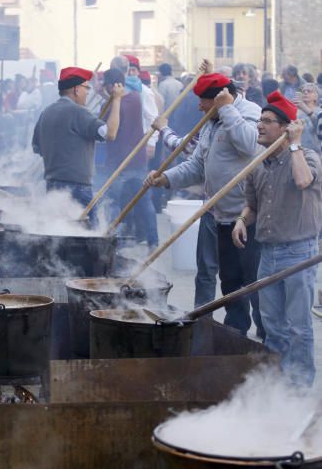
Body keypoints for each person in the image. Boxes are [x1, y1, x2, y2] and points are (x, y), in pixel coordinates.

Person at [146, 71, 264, 335]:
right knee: (231, 282)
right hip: (220, 214)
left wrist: (228, 110)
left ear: (221, 98)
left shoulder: (248, 113)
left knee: (254, 283)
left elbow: (249, 145)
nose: (199, 106)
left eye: (204, 101)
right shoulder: (210, 123)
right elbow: (196, 166)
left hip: (248, 217)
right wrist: (165, 178)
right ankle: (236, 334)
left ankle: (267, 337)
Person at [232, 91, 322, 386]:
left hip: (299, 253)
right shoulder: (256, 165)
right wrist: (242, 221)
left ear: (286, 128)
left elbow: (303, 180)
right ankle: (276, 387)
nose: (259, 125)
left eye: (267, 121)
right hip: (267, 254)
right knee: (272, 326)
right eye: (259, 119)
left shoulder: (307, 157)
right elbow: (253, 206)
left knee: (298, 327)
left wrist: (295, 144)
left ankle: (300, 388)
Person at [32, 66, 123, 211]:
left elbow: (37, 147)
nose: (87, 93)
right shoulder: (78, 112)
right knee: (88, 232)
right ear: (76, 89)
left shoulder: (46, 113)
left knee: (57, 230)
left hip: (52, 187)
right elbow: (110, 133)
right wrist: (117, 100)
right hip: (77, 189)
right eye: (86, 88)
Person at [101, 68, 158, 250]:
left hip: (119, 161)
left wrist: (107, 100)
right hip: (138, 158)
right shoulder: (135, 97)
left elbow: (109, 123)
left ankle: (113, 244)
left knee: (113, 202)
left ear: (112, 86)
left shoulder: (113, 105)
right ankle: (153, 241)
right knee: (144, 201)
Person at [293, 83, 322, 155]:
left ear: (316, 96)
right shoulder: (296, 112)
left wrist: (306, 109)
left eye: (309, 91)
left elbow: (319, 128)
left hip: (316, 153)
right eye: (303, 91)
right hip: (299, 151)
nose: (305, 93)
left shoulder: (319, 111)